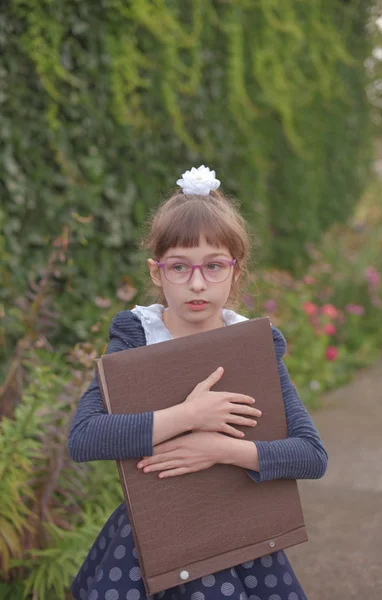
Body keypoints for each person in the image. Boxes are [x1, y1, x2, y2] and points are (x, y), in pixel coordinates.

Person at [68, 165, 328, 600]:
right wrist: (188, 416)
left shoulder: (253, 346)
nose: (196, 284)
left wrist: (219, 449)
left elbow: (312, 455)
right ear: (156, 272)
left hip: (238, 536)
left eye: (213, 266)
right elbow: (84, 437)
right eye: (179, 267)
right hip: (155, 537)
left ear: (235, 271)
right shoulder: (137, 337)